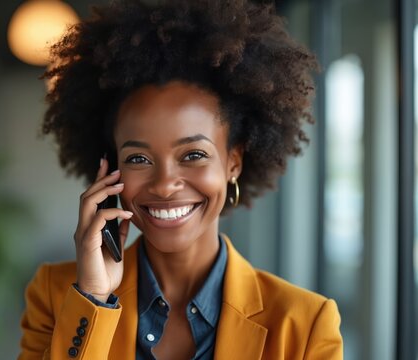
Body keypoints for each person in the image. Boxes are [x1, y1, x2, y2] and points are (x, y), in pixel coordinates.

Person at [19, 0, 343, 359]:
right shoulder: (58, 294)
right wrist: (94, 298)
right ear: (111, 171)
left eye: (193, 155)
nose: (164, 183)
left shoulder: (305, 324)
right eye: (138, 158)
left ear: (233, 162)